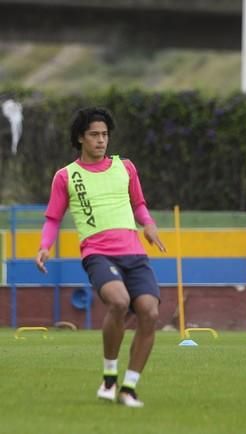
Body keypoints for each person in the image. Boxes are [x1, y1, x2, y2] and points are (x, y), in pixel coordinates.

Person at [35, 107, 166, 408]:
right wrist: (45, 245)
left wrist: (148, 224)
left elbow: (139, 204)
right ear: (80, 138)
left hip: (134, 254)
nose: (101, 140)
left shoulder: (126, 167)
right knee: (118, 301)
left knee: (150, 312)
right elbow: (53, 218)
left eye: (105, 134)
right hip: (97, 253)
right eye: (94, 134)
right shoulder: (66, 176)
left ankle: (128, 388)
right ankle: (109, 377)